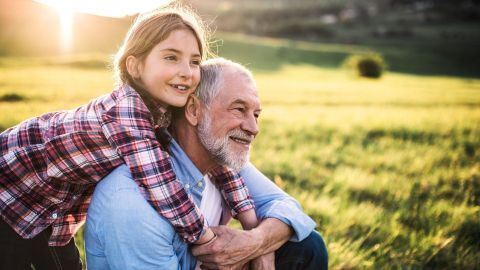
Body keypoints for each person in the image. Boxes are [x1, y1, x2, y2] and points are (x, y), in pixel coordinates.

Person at [0, 6, 258, 269]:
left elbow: (217, 162)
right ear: (134, 67)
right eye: (171, 57)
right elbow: (161, 186)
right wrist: (208, 240)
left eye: (194, 61)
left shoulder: (165, 107)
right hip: (11, 192)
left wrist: (250, 222)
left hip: (52, 209)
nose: (186, 71)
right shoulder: (126, 112)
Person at [85, 58, 329, 269]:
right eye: (239, 109)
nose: (254, 128)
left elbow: (291, 209)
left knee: (308, 247)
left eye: (255, 114)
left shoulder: (223, 161)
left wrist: (255, 244)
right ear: (193, 110)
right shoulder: (132, 201)